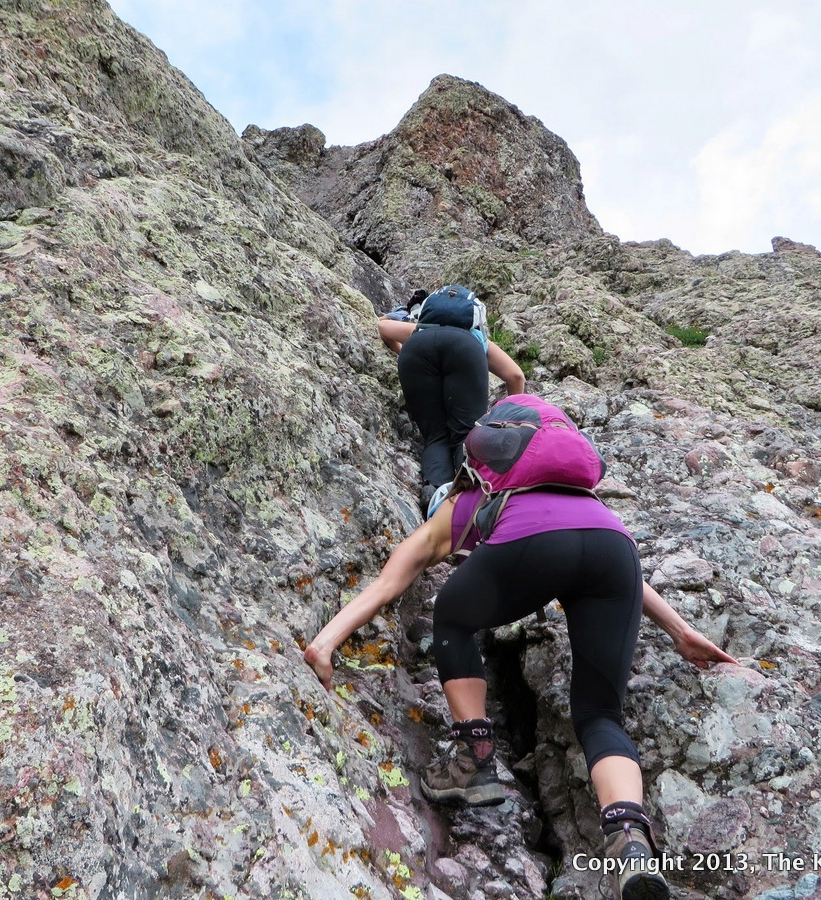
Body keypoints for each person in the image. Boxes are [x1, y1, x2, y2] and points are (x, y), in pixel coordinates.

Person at [304, 430, 737, 900]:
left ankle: (475, 754)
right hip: (614, 547)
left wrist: (325, 643)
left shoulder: (457, 509)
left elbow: (388, 585)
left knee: (450, 615)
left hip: (533, 546)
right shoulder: (578, 498)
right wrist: (682, 633)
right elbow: (615, 568)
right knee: (600, 715)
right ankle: (629, 836)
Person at [377, 289, 525, 516]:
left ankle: (436, 490)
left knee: (435, 435)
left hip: (416, 351)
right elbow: (515, 376)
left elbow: (383, 328)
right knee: (465, 434)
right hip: (464, 350)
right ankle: (470, 495)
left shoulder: (419, 329)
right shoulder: (475, 335)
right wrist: (507, 416)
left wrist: (403, 351)